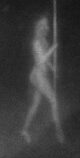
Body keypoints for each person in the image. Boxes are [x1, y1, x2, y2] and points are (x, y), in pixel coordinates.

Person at [21, 16, 64, 144]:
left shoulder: (44, 40)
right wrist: (53, 48)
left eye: (47, 25)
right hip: (38, 75)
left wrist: (53, 68)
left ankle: (24, 130)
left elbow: (46, 60)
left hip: (41, 74)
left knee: (35, 104)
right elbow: (40, 60)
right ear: (39, 27)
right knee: (53, 100)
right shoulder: (35, 42)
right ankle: (58, 130)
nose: (47, 28)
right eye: (44, 25)